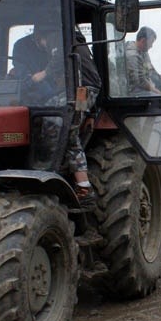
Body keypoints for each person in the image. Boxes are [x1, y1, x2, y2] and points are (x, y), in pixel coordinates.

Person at [66, 27, 102, 203]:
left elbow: (54, 72)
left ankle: (84, 187)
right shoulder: (80, 42)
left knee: (68, 129)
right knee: (73, 122)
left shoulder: (67, 44)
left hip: (83, 90)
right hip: (86, 90)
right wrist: (92, 113)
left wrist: (37, 77)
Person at [13, 25, 60, 104]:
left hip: (60, 95)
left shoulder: (61, 43)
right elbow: (24, 75)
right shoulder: (21, 46)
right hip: (35, 96)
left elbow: (60, 59)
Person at [126, 26, 161, 95]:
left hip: (146, 83)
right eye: (151, 43)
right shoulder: (132, 55)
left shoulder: (144, 51)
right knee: (158, 97)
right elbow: (140, 81)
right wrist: (158, 93)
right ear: (143, 41)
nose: (151, 46)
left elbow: (149, 66)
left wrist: (158, 76)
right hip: (135, 90)